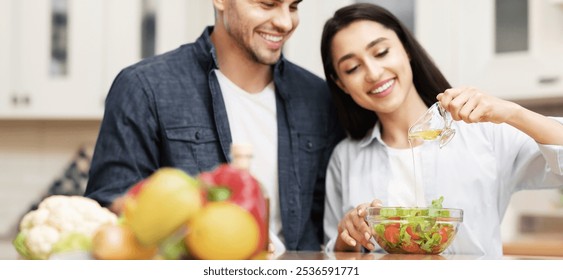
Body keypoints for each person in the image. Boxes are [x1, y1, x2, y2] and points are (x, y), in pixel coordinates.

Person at [85, 0, 343, 253]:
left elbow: (328, 227)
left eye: (294, 6)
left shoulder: (318, 98)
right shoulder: (143, 87)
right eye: (267, 4)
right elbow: (108, 215)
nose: (285, 22)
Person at [319, 3, 563, 258]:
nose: (373, 72)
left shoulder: (483, 131)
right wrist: (347, 236)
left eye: (381, 52)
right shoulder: (345, 158)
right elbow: (336, 257)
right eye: (352, 68)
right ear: (341, 83)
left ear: (406, 49)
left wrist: (513, 112)